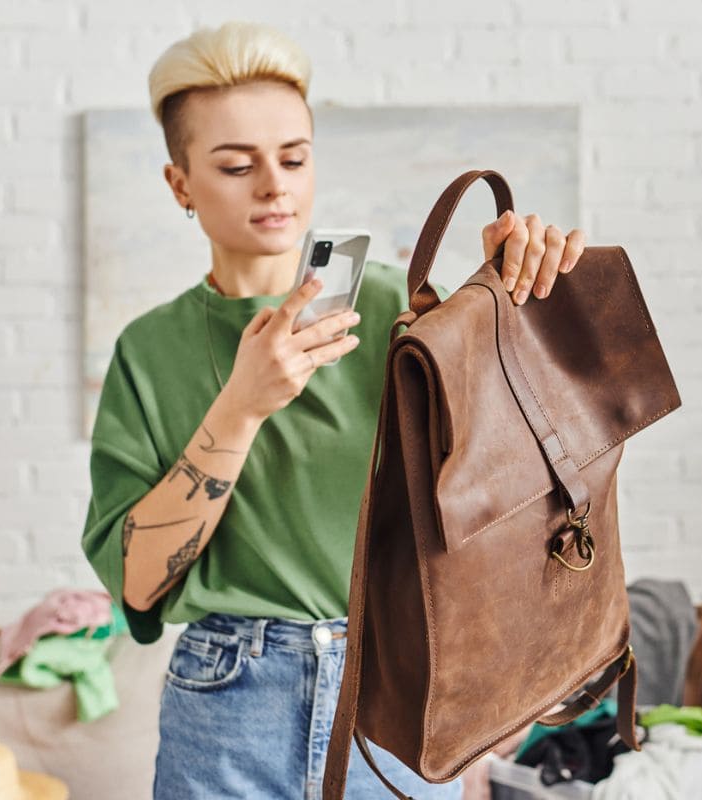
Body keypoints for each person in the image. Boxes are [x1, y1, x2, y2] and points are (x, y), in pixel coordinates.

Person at [79, 20, 587, 800]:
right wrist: (241, 408)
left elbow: (514, 478)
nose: (274, 186)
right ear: (181, 185)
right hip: (226, 699)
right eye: (235, 165)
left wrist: (512, 301)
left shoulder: (398, 308)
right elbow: (139, 587)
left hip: (395, 684)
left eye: (293, 157)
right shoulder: (150, 351)